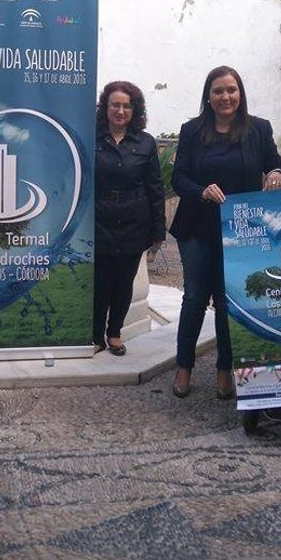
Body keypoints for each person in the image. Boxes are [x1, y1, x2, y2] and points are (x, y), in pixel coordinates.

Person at [169, 66, 281, 400]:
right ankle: (184, 367)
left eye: (231, 90)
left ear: (241, 93)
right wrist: (201, 190)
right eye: (219, 91)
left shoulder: (258, 129)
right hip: (197, 226)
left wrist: (276, 172)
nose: (226, 97)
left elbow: (274, 162)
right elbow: (179, 178)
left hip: (241, 230)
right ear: (208, 95)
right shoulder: (192, 130)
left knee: (228, 301)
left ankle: (225, 370)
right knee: (194, 298)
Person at [93, 80, 165, 356]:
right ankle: (95, 334)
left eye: (126, 106)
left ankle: (114, 333)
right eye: (115, 105)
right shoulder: (92, 137)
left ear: (135, 110)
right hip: (99, 222)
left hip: (135, 224)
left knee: (123, 284)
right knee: (100, 284)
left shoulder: (145, 143)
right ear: (106, 107)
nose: (121, 111)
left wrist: (158, 229)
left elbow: (155, 187)